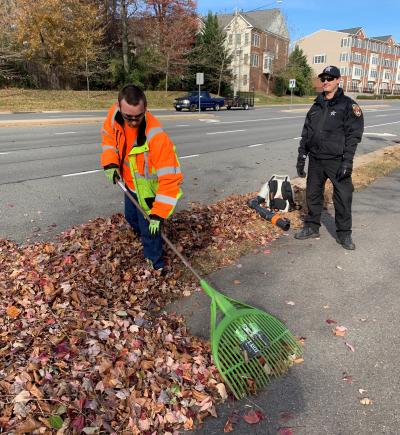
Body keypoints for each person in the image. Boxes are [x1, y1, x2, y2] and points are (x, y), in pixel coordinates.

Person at [100, 84, 183, 271]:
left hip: (148, 192)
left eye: (138, 116)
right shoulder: (114, 115)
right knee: (131, 217)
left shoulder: (156, 137)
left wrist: (158, 213)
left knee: (150, 230)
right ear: (119, 107)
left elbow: (170, 179)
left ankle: (156, 265)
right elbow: (108, 139)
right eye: (128, 116)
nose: (133, 121)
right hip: (128, 184)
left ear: (145, 108)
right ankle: (145, 236)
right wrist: (110, 163)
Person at [295, 65, 364, 250]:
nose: (325, 81)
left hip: (337, 160)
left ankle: (344, 234)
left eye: (330, 78)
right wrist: (302, 157)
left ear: (338, 80)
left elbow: (354, 135)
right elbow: (306, 133)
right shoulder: (316, 104)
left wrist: (347, 160)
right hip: (316, 159)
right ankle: (311, 226)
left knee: (343, 197)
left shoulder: (348, 105)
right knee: (313, 195)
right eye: (323, 78)